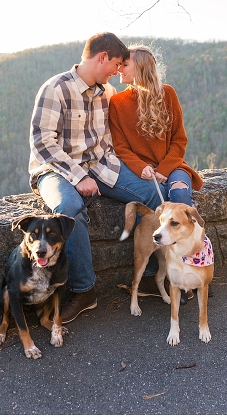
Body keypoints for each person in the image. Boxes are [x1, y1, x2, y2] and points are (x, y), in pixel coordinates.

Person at [29, 32, 163, 323]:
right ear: (102, 57)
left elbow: (122, 136)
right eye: (116, 65)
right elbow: (42, 143)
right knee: (69, 209)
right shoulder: (55, 88)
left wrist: (149, 165)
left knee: (153, 194)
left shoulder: (108, 92)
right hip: (56, 170)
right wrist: (78, 177)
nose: (117, 71)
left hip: (100, 166)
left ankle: (152, 277)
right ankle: (84, 291)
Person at [108, 44, 204, 297]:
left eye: (125, 65)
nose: (119, 69)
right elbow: (120, 147)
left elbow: (179, 140)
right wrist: (143, 168)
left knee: (180, 196)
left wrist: (164, 168)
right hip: (145, 171)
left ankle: (193, 267)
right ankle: (169, 274)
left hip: (173, 166)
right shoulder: (117, 103)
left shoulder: (168, 94)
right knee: (159, 205)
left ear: (140, 68)